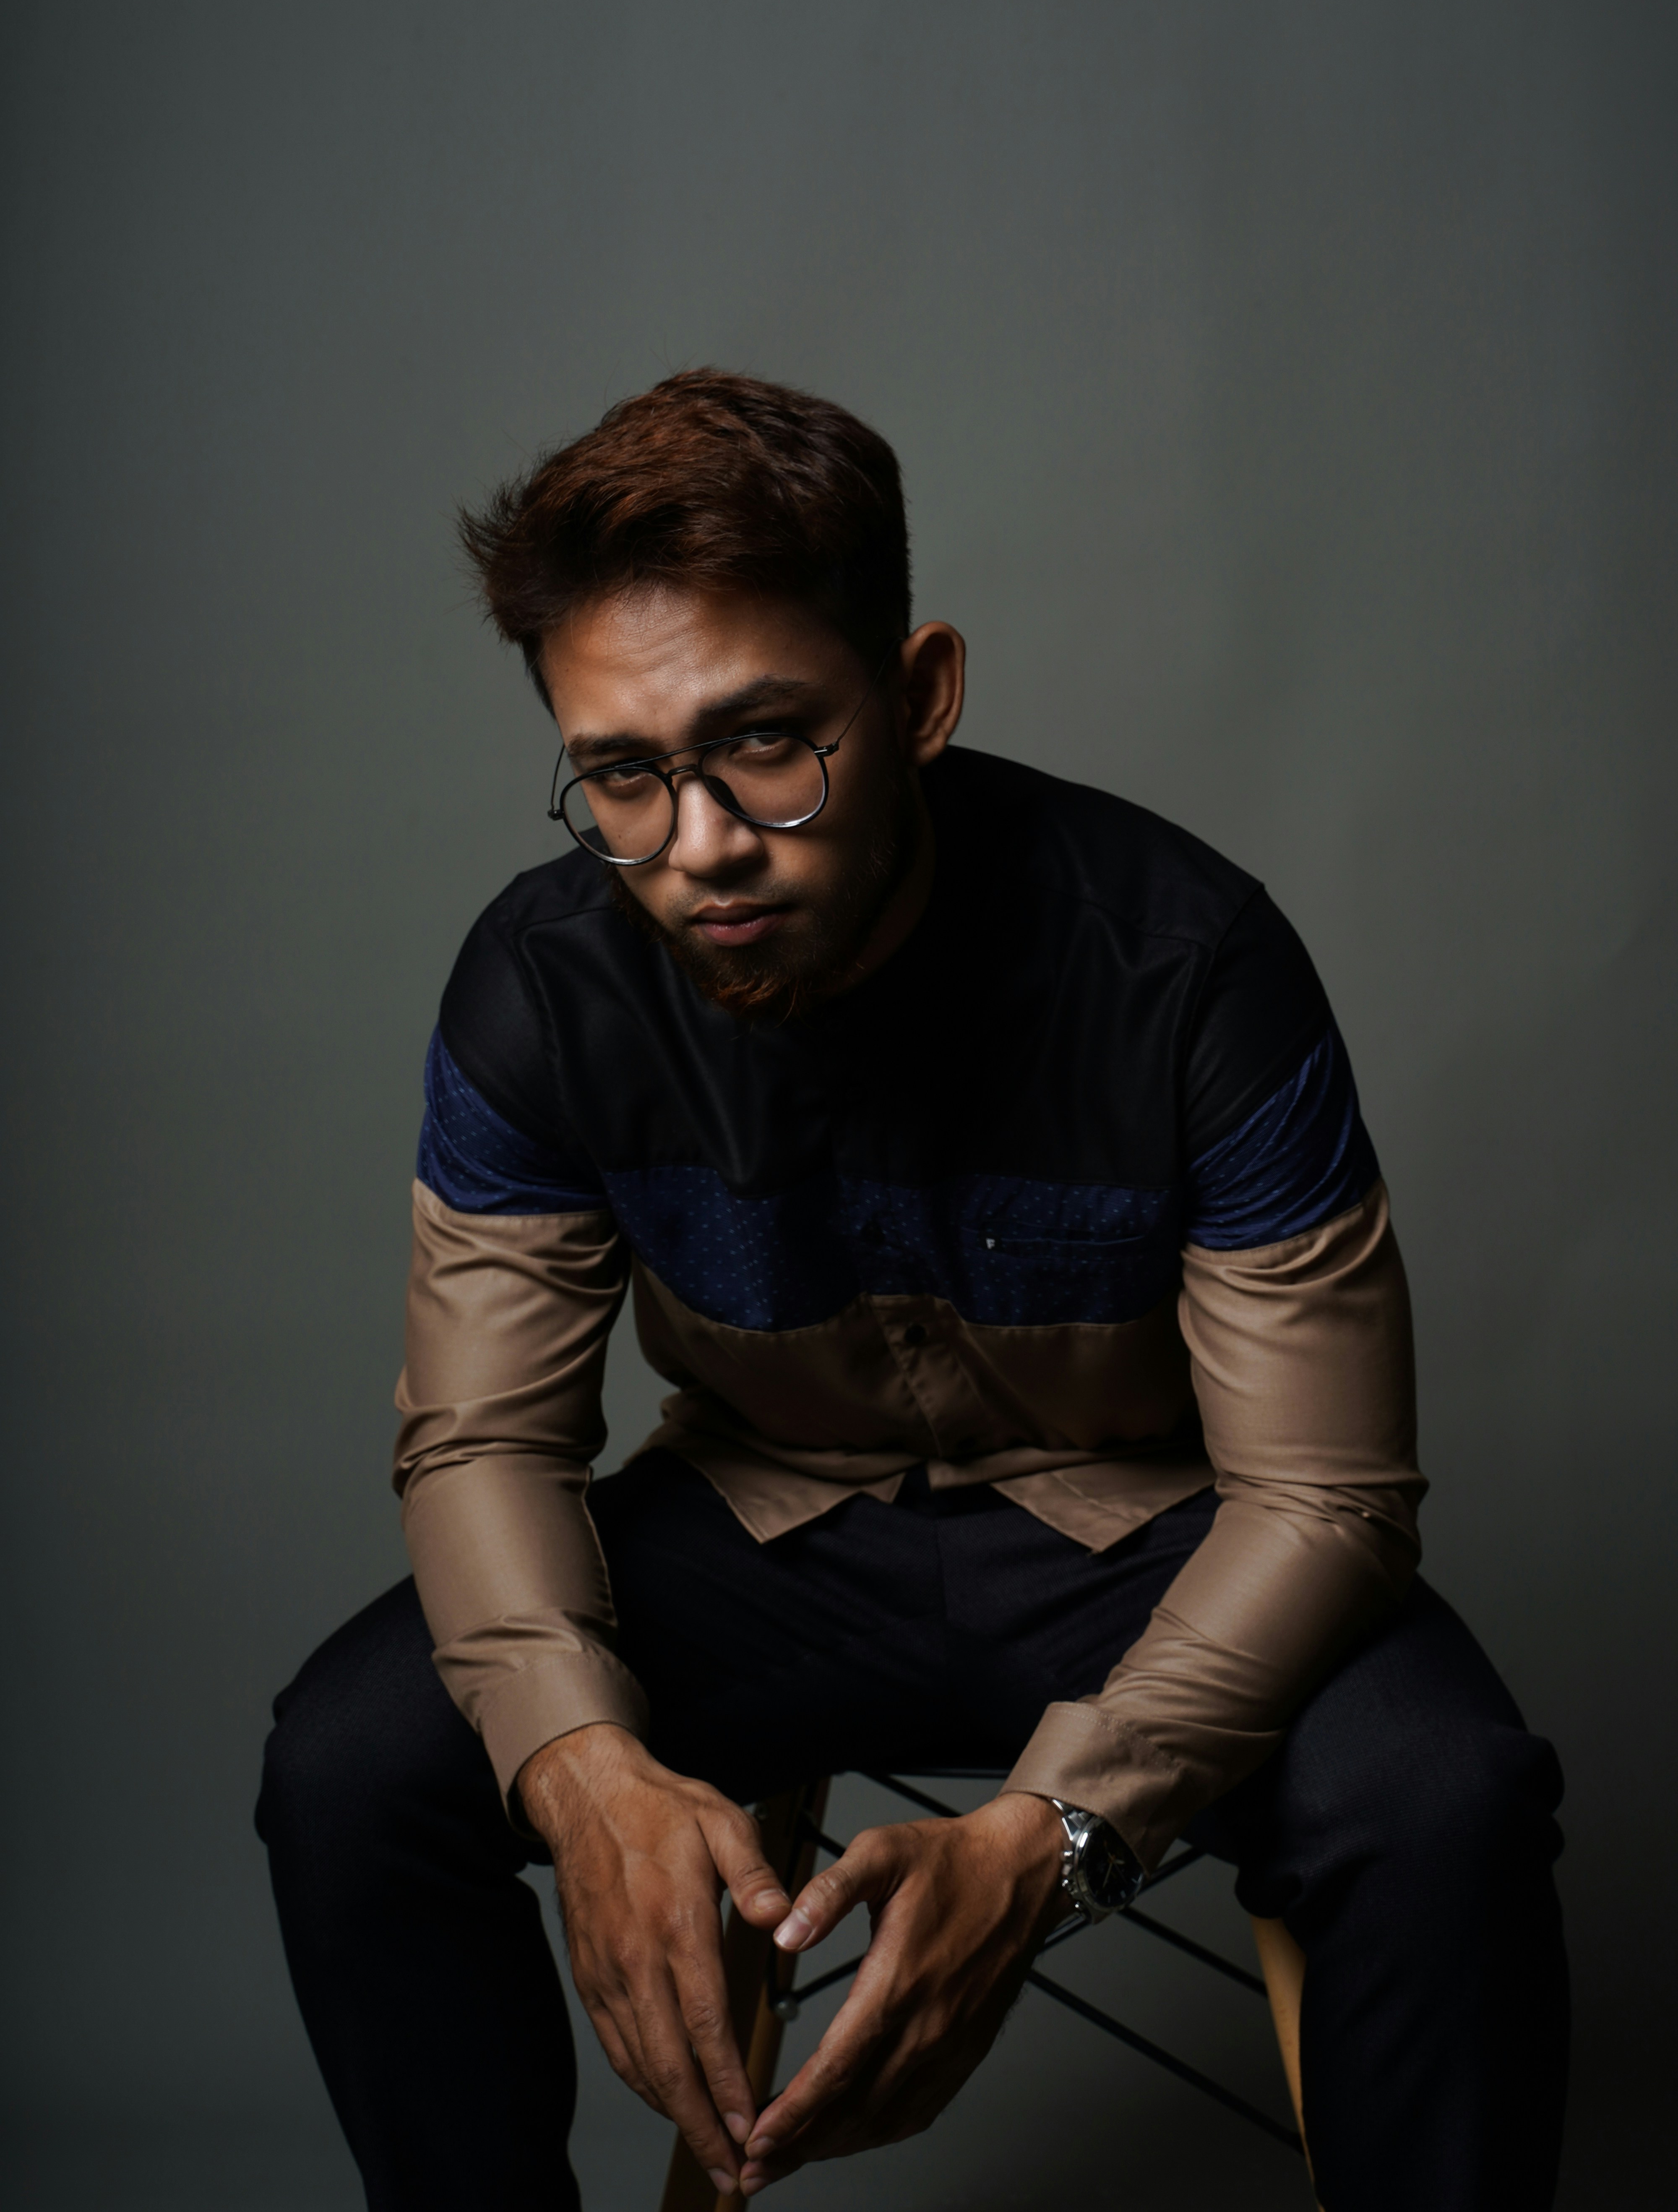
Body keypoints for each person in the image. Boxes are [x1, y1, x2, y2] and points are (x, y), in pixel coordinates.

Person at [257, 370, 1568, 2212]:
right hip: (765, 1531)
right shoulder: (540, 987)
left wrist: (1051, 1839)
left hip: (1157, 1545)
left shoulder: (1188, 964)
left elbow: (1331, 1496)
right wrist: (582, 1774)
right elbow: (480, 1441)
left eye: (767, 744)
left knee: (1445, 1800)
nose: (698, 841)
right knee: (352, 1761)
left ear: (920, 695)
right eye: (624, 777)